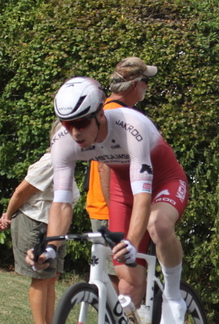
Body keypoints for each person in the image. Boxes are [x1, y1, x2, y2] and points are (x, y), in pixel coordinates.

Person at [26, 75, 189, 324]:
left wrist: (133, 243)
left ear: (100, 114)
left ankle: (172, 294)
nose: (75, 132)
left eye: (81, 123)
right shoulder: (63, 140)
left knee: (157, 225)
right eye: (68, 124)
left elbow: (144, 197)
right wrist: (50, 248)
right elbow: (61, 202)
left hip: (163, 180)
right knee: (126, 286)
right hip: (123, 188)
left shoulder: (130, 126)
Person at [0, 121, 80, 324]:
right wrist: (8, 216)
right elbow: (21, 191)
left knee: (52, 279)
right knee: (41, 277)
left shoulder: (67, 164)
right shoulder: (51, 161)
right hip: (34, 223)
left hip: (55, 227)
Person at [83, 57, 156, 288]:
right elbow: (105, 164)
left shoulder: (106, 110)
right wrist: (115, 212)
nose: (147, 87)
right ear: (134, 84)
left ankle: (117, 323)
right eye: (145, 81)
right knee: (120, 278)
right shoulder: (118, 116)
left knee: (115, 278)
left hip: (106, 207)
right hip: (112, 209)